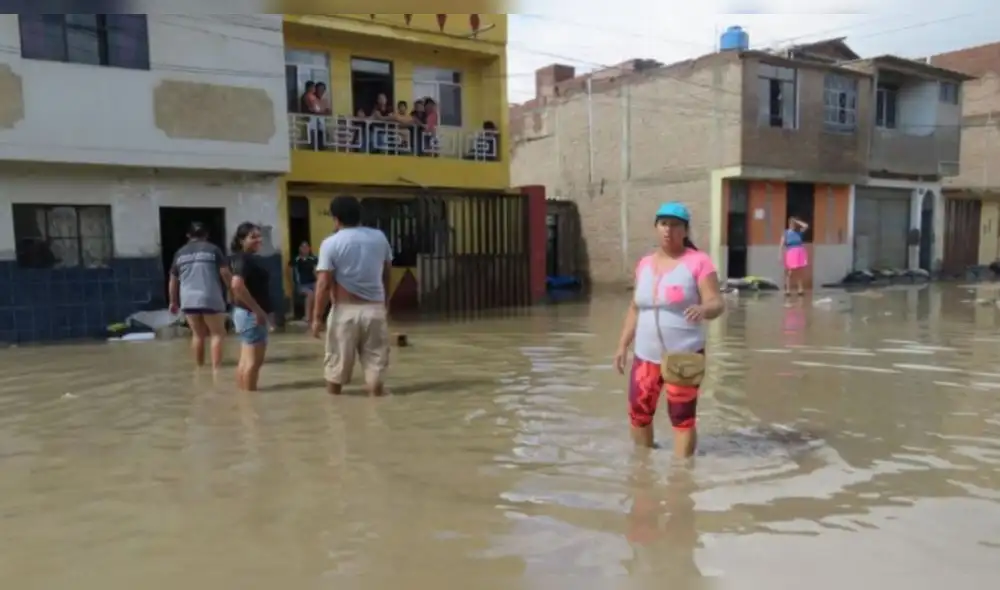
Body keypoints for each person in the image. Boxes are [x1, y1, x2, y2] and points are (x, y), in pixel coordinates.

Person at [613, 202, 725, 457]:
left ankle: (682, 477)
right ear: (656, 227)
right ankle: (644, 468)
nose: (668, 230)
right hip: (645, 356)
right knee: (639, 414)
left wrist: (704, 309)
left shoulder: (699, 262)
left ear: (685, 230)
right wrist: (622, 346)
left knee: (682, 418)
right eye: (663, 224)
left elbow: (717, 302)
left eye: (675, 225)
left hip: (684, 356)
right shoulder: (644, 264)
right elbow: (635, 308)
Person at [310, 195, 392, 396]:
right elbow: (387, 272)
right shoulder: (379, 237)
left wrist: (316, 318)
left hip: (344, 312)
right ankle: (376, 410)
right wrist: (385, 302)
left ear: (335, 219)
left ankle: (334, 413)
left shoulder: (331, 243)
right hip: (375, 309)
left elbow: (323, 284)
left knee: (336, 368)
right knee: (375, 367)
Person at [168, 222, 231, 369]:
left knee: (197, 335)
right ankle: (217, 370)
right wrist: (233, 291)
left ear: (188, 236)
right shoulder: (214, 250)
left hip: (188, 300)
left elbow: (173, 280)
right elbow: (225, 273)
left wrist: (173, 301)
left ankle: (200, 368)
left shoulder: (179, 253)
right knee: (217, 333)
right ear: (206, 235)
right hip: (210, 298)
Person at [229, 222, 272, 391]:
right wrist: (258, 310)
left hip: (243, 313)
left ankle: (244, 398)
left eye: (259, 236)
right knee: (254, 362)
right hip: (250, 315)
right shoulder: (244, 258)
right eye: (253, 237)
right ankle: (250, 400)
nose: (258, 240)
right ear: (241, 240)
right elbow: (237, 285)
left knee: (245, 361)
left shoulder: (241, 258)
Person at [289, 241, 318, 323]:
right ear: (300, 249)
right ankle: (307, 316)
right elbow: (291, 273)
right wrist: (293, 285)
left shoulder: (313, 259)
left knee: (319, 292)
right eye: (303, 247)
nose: (305, 249)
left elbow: (316, 272)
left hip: (313, 283)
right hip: (301, 285)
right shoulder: (296, 260)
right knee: (310, 294)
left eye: (307, 247)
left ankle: (316, 316)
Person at [780, 216, 809, 296]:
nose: (793, 224)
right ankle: (788, 290)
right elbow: (781, 244)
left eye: (794, 223)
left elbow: (806, 226)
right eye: (792, 223)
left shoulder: (799, 232)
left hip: (800, 251)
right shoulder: (786, 232)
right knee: (790, 272)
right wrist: (779, 254)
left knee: (799, 271)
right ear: (789, 224)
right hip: (791, 252)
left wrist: (797, 221)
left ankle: (800, 289)